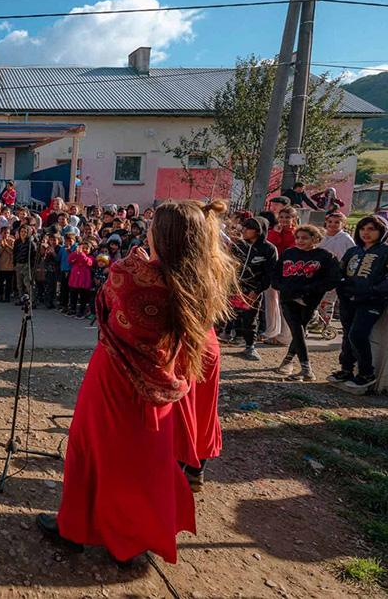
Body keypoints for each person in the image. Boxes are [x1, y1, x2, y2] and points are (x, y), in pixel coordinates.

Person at [37, 200, 236, 565]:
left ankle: (77, 527)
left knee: (90, 447)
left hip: (115, 379)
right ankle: (130, 537)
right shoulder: (204, 276)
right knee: (142, 459)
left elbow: (107, 297)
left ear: (161, 234)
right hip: (161, 384)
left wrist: (134, 260)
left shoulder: (131, 275)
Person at [329, 215, 388, 393]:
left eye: (371, 229)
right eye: (363, 229)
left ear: (381, 231)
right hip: (348, 299)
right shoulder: (353, 251)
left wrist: (374, 291)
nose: (366, 233)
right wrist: (342, 288)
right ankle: (346, 369)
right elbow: (340, 272)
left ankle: (366, 373)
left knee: (358, 334)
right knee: (347, 334)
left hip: (372, 301)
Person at [271, 225, 342, 381]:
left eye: (305, 238)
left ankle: (288, 360)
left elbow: (333, 279)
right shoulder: (289, 253)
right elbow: (275, 276)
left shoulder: (325, 256)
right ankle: (306, 368)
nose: (300, 241)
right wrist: (284, 287)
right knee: (297, 330)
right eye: (298, 237)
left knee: (300, 332)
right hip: (288, 298)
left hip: (309, 300)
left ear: (315, 239)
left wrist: (309, 289)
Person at [228, 217, 277, 361]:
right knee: (231, 315)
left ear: (258, 231)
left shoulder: (268, 249)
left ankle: (250, 346)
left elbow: (269, 274)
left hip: (253, 290)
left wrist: (257, 290)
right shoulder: (239, 245)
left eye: (248, 228)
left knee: (250, 318)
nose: (244, 230)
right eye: (244, 227)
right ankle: (233, 337)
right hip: (234, 287)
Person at [264, 207, 298, 346]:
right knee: (271, 302)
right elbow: (270, 246)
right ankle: (271, 332)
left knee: (285, 304)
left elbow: (290, 251)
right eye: (282, 217)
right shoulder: (274, 231)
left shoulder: (296, 234)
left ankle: (284, 336)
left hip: (287, 271)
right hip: (273, 270)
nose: (284, 220)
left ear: (293, 219)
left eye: (287, 217)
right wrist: (276, 234)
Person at [319, 212, 356, 320]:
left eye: (337, 222)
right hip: (319, 272)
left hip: (336, 273)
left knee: (328, 300)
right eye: (330, 222)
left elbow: (352, 256)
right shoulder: (321, 236)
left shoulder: (346, 239)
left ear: (343, 224)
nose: (332, 224)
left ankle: (324, 322)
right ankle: (314, 320)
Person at [66, 241, 94, 317]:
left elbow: (89, 262)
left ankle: (82, 310)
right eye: (83, 248)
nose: (84, 249)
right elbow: (69, 260)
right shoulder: (77, 255)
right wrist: (75, 253)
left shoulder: (90, 257)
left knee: (83, 296)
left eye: (86, 248)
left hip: (84, 280)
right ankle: (72, 309)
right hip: (75, 279)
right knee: (73, 294)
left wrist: (82, 254)